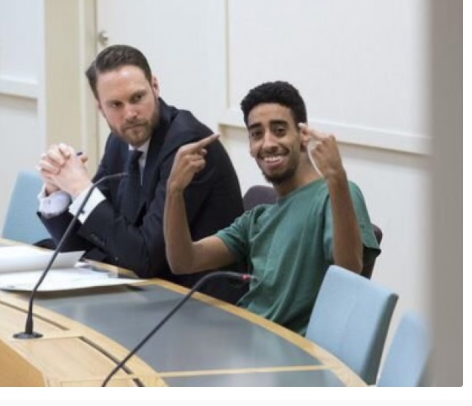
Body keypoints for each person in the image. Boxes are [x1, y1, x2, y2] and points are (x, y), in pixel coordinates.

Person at [164, 81, 381, 334]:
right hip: (245, 336)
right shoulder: (257, 218)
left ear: (303, 135)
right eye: (257, 134)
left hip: (290, 349)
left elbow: (350, 272)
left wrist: (337, 179)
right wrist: (174, 191)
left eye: (279, 130)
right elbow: (184, 261)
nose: (267, 144)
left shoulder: (335, 193)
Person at [37, 45, 245, 302]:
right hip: (145, 294)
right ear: (101, 109)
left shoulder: (186, 144)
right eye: (116, 104)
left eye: (137, 98)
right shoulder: (119, 141)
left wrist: (80, 188)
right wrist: (57, 190)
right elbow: (85, 244)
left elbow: (145, 258)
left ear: (155, 87)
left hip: (199, 301)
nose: (130, 114)